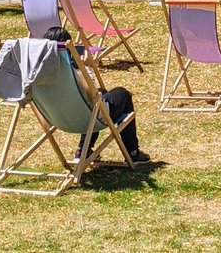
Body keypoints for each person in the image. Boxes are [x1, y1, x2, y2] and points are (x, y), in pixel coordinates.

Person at [42, 27, 150, 165]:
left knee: (103, 92)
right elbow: (90, 94)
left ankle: (83, 150)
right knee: (123, 94)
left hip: (56, 118)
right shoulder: (70, 73)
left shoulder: (38, 74)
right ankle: (133, 153)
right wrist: (85, 67)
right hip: (84, 117)